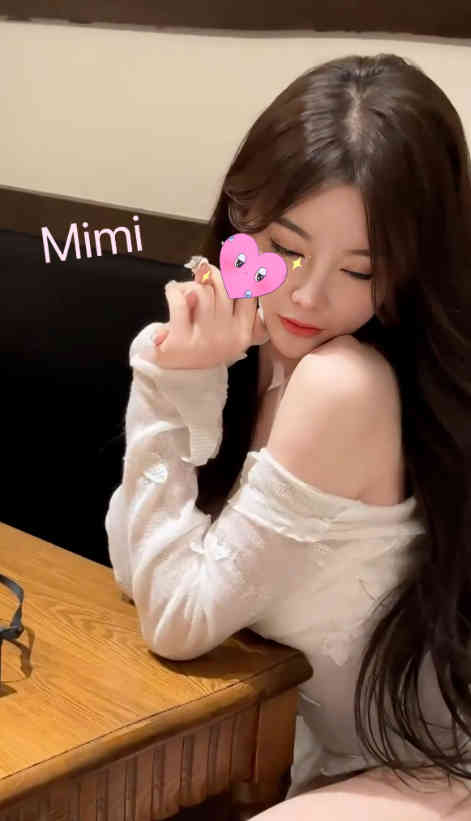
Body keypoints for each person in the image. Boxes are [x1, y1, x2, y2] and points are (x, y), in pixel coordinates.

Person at [105, 53, 471, 818]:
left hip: (424, 769)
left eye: (360, 270)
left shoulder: (344, 383)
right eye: (286, 248)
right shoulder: (257, 355)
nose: (306, 295)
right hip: (305, 753)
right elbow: (135, 566)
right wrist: (188, 375)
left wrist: (168, 387)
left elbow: (175, 619)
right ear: (242, 218)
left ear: (407, 275)